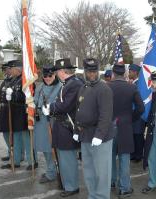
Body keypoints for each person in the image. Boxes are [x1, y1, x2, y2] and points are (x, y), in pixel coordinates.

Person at [42, 58, 83, 197]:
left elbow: (66, 105)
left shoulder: (74, 84)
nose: (56, 73)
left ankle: (72, 187)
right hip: (62, 126)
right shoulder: (69, 83)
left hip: (67, 126)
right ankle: (68, 184)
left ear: (62, 71)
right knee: (64, 158)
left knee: (68, 160)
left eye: (57, 71)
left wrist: (50, 107)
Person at [74, 58, 114, 199]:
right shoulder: (83, 87)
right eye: (88, 71)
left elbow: (106, 115)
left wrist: (99, 135)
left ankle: (102, 196)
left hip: (100, 137)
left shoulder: (104, 89)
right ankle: (92, 195)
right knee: (89, 170)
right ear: (84, 72)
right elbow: (78, 111)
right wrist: (76, 131)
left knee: (102, 172)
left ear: (98, 72)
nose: (91, 74)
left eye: (94, 71)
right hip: (85, 135)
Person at [108, 63, 144, 198]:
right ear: (124, 74)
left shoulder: (107, 87)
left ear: (113, 74)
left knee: (110, 157)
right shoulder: (131, 87)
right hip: (125, 127)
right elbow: (140, 109)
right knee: (124, 158)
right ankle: (124, 188)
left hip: (109, 127)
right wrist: (130, 119)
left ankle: (111, 182)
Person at [0, 60, 36, 170]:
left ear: (18, 69)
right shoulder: (13, 80)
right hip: (14, 111)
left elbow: (27, 96)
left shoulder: (26, 80)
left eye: (12, 68)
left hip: (23, 112)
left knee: (27, 138)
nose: (11, 71)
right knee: (16, 137)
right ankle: (15, 161)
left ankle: (32, 162)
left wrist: (13, 95)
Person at [34, 64, 61, 183]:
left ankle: (59, 171)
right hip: (41, 122)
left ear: (55, 74)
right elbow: (35, 101)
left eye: (50, 75)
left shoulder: (61, 87)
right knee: (45, 148)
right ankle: (50, 171)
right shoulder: (39, 87)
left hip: (55, 121)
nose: (48, 78)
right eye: (45, 75)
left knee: (56, 149)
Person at [128, 64, 146, 163]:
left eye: (130, 71)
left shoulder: (139, 84)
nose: (129, 73)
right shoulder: (133, 83)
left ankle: (138, 155)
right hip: (132, 113)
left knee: (138, 134)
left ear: (135, 72)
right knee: (134, 135)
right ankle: (134, 154)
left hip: (138, 114)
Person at [0, 62, 12, 162]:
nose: (5, 72)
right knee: (5, 131)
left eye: (6, 69)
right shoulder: (5, 80)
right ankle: (10, 152)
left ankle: (17, 154)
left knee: (11, 133)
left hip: (10, 109)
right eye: (4, 70)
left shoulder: (14, 81)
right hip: (3, 109)